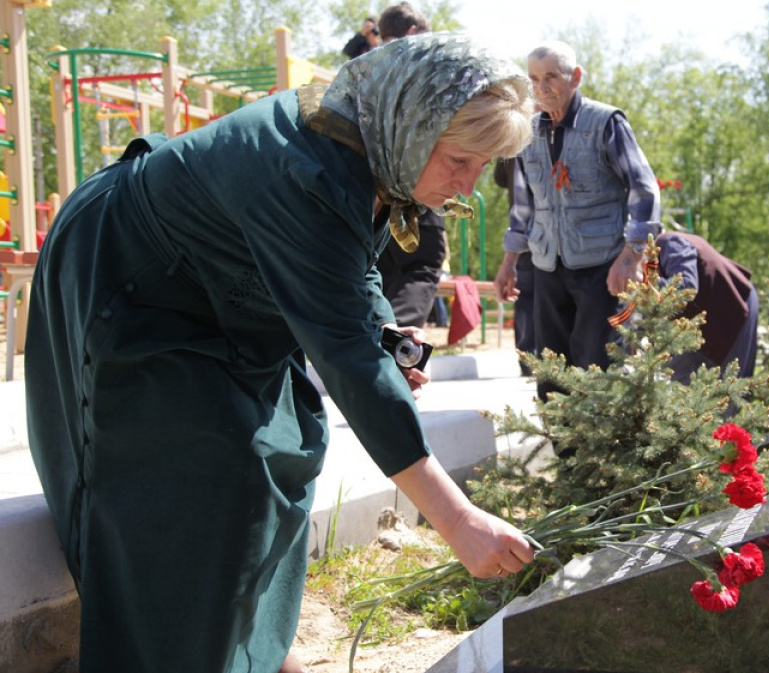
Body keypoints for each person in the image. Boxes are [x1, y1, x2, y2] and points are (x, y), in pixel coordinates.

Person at [25, 33, 536, 673]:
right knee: (196, 477)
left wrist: (388, 336)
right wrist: (457, 521)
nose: (467, 184)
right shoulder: (307, 170)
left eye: (481, 167)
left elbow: (354, 270)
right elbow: (346, 359)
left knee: (286, 443)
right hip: (132, 279)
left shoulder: (369, 143)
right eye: (460, 160)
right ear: (415, 122)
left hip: (213, 293)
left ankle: (254, 650)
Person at [493, 41, 660, 396]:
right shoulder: (528, 132)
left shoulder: (605, 122)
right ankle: (564, 451)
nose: (542, 88)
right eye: (535, 79)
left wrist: (631, 257)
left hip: (602, 269)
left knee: (597, 367)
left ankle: (598, 451)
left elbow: (644, 191)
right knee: (550, 373)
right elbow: (523, 206)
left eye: (551, 77)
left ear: (576, 77)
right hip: (546, 268)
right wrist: (509, 262)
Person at [374, 3, 448, 331]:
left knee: (377, 274)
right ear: (414, 34)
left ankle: (372, 351)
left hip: (367, 193)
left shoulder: (366, 68)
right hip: (414, 186)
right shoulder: (422, 66)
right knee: (420, 267)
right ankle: (392, 352)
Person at [655, 230, 759, 383]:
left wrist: (646, 285)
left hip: (734, 306)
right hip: (709, 321)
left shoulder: (669, 243)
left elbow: (686, 289)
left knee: (730, 390)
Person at [492, 156, 536, 374]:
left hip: (521, 231)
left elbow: (499, 179)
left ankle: (527, 357)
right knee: (542, 292)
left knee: (525, 294)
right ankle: (544, 356)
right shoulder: (548, 135)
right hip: (542, 228)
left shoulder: (512, 143)